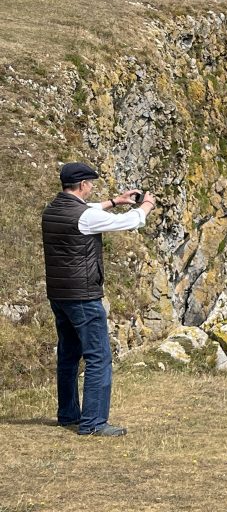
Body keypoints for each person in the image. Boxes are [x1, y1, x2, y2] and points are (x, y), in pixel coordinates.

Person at [41, 161, 157, 437]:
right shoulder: (83, 217)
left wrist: (116, 200)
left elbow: (87, 211)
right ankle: (93, 422)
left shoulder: (52, 210)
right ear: (82, 185)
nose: (92, 188)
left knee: (69, 355)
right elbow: (129, 222)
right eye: (91, 184)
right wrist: (146, 205)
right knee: (98, 357)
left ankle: (69, 414)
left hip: (60, 295)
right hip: (83, 296)